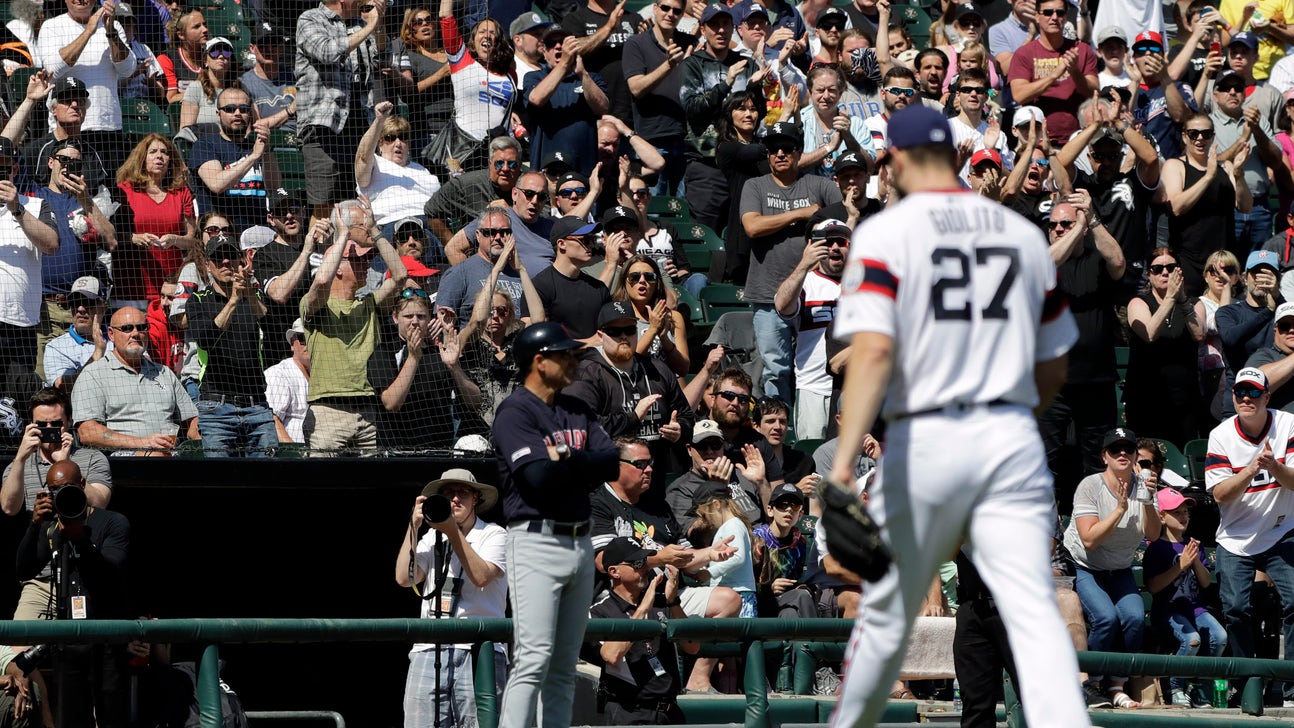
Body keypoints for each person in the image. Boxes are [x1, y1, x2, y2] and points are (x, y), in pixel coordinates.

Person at [822, 104, 1088, 727]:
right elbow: (1054, 363)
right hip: (1011, 439)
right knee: (1035, 619)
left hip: (930, 436)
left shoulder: (888, 232)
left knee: (886, 618)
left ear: (902, 159)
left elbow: (875, 350)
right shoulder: (1021, 233)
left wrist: (840, 466)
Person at [490, 321, 619, 728]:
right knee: (533, 658)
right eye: (565, 354)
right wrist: (580, 464)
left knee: (563, 666)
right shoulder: (515, 411)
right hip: (535, 541)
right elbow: (536, 479)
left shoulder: (576, 407)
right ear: (539, 361)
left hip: (580, 543)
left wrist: (567, 457)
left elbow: (612, 462)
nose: (574, 361)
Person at [589, 436, 740, 693]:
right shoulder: (597, 503)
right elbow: (604, 562)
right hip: (621, 601)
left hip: (667, 596)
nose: (648, 469)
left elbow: (685, 557)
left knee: (730, 600)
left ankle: (698, 680)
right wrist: (660, 559)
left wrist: (709, 555)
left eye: (651, 463)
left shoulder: (657, 505)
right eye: (640, 464)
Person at [14, 460, 129, 728]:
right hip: (68, 640)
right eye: (54, 490)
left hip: (107, 637)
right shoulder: (53, 527)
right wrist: (34, 525)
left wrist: (79, 538)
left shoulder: (112, 522)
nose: (62, 496)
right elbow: (24, 569)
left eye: (67, 489)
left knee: (112, 715)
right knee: (71, 717)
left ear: (82, 485)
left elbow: (111, 572)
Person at [1205, 366, 1294, 705]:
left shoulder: (1287, 424)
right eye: (1240, 392)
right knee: (1236, 609)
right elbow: (1220, 495)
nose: (1246, 398)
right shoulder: (1221, 435)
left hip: (1281, 530)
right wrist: (1253, 468)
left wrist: (1275, 467)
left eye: (1254, 392)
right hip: (1236, 536)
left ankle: (1290, 685)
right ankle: (1247, 682)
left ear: (1267, 396)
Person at [395, 468, 508, 728]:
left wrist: (452, 532)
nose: (455, 499)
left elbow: (482, 577)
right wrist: (413, 526)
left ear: (476, 499)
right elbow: (404, 577)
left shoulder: (494, 534)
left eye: (462, 493)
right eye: (448, 494)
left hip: (478, 651)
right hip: (428, 648)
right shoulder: (431, 538)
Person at [740, 121, 841, 404]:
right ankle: (780, 432)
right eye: (773, 149)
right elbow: (752, 227)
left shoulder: (820, 184)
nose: (780, 154)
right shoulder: (755, 186)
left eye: (787, 148)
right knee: (776, 369)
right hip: (768, 292)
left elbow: (845, 220)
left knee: (823, 365)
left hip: (818, 295)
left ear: (799, 153)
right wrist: (801, 213)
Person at [1061, 427, 1163, 708]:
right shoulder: (1090, 486)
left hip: (1118, 568)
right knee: (1105, 617)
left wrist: (1148, 502)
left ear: (1134, 457)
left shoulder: (1143, 487)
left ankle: (1116, 685)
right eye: (1115, 449)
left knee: (1133, 618)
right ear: (1104, 456)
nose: (1122, 454)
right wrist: (1119, 509)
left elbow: (1153, 535)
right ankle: (1090, 685)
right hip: (1085, 564)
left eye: (1128, 450)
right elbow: (1090, 540)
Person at [299, 200, 407, 455]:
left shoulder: (369, 304)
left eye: (367, 259)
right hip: (328, 412)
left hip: (368, 411)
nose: (366, 264)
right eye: (358, 260)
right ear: (338, 267)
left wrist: (376, 230)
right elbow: (322, 278)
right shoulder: (314, 305)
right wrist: (343, 234)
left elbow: (401, 274)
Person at [1037, 193, 1125, 481]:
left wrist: (1093, 220)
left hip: (1096, 381)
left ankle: (1095, 524)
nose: (1059, 229)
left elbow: (1119, 261)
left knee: (1099, 465)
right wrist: (1078, 226)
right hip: (1052, 385)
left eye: (1066, 224)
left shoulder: (1096, 259)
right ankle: (1049, 526)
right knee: (1043, 462)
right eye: (1054, 225)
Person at [564, 300, 696, 471]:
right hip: (607, 481)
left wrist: (680, 430)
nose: (623, 336)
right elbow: (580, 427)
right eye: (614, 331)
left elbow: (687, 416)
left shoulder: (658, 369)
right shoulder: (585, 374)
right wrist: (632, 418)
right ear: (600, 335)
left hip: (658, 475)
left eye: (629, 330)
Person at [184, 235, 278, 456]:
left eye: (231, 257)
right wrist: (233, 300)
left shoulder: (254, 299)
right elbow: (205, 340)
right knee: (220, 480)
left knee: (270, 480)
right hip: (216, 406)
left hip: (257, 405)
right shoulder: (198, 300)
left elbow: (274, 333)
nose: (225, 262)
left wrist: (249, 295)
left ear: (241, 261)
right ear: (208, 265)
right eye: (218, 257)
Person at [32, 140, 116, 381]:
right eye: (63, 160)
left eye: (75, 163)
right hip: (43, 308)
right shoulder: (35, 196)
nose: (68, 166)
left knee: (88, 379)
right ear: (50, 162)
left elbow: (111, 241)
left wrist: (86, 199)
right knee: (47, 385)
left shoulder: (89, 201)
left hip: (82, 308)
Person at [294, 0, 387, 219]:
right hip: (325, 128)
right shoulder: (310, 19)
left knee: (362, 201)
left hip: (360, 125)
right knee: (325, 207)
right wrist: (369, 27)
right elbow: (327, 52)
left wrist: (378, 25)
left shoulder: (359, 24)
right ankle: (319, 253)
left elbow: (381, 57)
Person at [589, 536, 696, 724]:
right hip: (629, 712)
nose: (645, 567)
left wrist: (673, 602)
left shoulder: (661, 602)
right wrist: (642, 610)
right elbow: (612, 656)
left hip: (670, 712)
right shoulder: (599, 611)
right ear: (614, 572)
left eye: (645, 561)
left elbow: (693, 647)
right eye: (637, 563)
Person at [70, 306, 197, 453]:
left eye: (142, 327)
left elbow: (192, 420)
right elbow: (87, 432)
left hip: (170, 453)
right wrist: (143, 442)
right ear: (111, 334)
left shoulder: (164, 373)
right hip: (121, 458)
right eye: (127, 328)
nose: (136, 333)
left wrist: (202, 437)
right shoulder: (93, 374)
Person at [679, 3, 759, 231]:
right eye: (714, 25)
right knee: (706, 235)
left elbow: (757, 113)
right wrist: (726, 84)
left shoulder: (747, 64)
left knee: (741, 238)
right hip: (707, 165)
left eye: (726, 24)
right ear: (702, 29)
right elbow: (692, 107)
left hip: (743, 165)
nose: (721, 30)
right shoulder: (692, 65)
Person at [1144, 486, 1225, 709]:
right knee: (1192, 640)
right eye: (1176, 512)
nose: (1183, 517)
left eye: (1185, 512)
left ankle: (1200, 688)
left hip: (1194, 608)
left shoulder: (1192, 544)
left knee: (1219, 636)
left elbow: (1206, 582)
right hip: (1167, 609)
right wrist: (1180, 566)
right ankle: (1176, 686)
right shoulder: (1156, 548)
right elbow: (1153, 587)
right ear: (1161, 515)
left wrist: (1195, 561)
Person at [36, 0, 136, 172]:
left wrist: (110, 32)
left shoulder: (113, 25)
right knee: (72, 188)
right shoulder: (51, 26)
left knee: (112, 193)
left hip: (109, 127)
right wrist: (89, 30)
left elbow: (127, 69)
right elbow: (53, 68)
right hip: (68, 130)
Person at [369, 290, 472, 450]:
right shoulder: (384, 352)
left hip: (439, 451)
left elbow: (475, 401)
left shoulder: (441, 352)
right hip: (396, 452)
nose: (415, 321)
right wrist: (413, 357)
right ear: (395, 318)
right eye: (408, 316)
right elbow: (391, 403)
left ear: (430, 319)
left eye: (421, 316)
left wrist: (455, 367)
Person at [775, 218, 847, 441]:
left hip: (853, 387)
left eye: (841, 241)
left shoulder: (864, 283)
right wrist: (804, 265)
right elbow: (782, 305)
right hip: (813, 387)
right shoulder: (806, 282)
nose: (834, 247)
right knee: (813, 457)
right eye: (827, 242)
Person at [0, 134, 58, 404]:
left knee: (19, 401)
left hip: (20, 324)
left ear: (13, 169)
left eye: (3, 165)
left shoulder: (34, 205)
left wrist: (16, 208)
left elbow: (51, 244)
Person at [1125, 248, 1205, 443]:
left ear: (1179, 271)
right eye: (1157, 268)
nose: (1165, 272)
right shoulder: (1138, 303)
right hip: (1146, 397)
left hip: (1184, 398)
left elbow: (1199, 333)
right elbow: (1150, 333)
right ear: (1149, 275)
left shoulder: (1194, 304)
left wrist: (1182, 299)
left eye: (1170, 267)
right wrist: (1170, 298)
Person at [112, 133, 198, 309]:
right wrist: (133, 238)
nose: (160, 156)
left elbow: (192, 240)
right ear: (142, 158)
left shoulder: (181, 193)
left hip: (171, 286)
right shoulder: (124, 190)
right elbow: (107, 235)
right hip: (133, 286)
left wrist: (174, 240)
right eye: (153, 151)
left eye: (165, 152)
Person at [1006, 0, 1097, 144]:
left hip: (1078, 140)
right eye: (1048, 13)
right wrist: (1054, 75)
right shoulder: (1024, 53)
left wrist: (1075, 72)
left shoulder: (1082, 50)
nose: (1054, 17)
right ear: (1037, 16)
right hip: (1038, 142)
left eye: (1060, 13)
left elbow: (1094, 92)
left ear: (1066, 17)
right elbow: (1019, 95)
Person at [189, 87, 278, 233]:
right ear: (218, 114)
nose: (238, 114)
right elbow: (217, 184)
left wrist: (266, 151)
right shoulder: (204, 145)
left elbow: (274, 187)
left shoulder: (257, 145)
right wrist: (254, 156)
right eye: (230, 109)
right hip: (221, 234)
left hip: (258, 233)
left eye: (243, 109)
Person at [354, 101, 442, 249]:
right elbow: (362, 156)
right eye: (390, 137)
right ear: (380, 143)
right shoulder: (375, 163)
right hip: (391, 225)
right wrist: (379, 120)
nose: (398, 143)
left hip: (428, 225)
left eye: (403, 137)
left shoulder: (422, 170)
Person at [522, 25, 608, 177]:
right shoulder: (534, 77)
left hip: (583, 169)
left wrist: (582, 74)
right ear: (544, 51)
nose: (558, 47)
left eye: (563, 41)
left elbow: (602, 107)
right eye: (551, 44)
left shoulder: (591, 77)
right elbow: (536, 99)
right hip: (546, 170)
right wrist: (564, 63)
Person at [666, 419, 770, 532]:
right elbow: (700, 536)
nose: (709, 451)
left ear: (723, 447)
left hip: (762, 541)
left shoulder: (743, 475)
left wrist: (762, 483)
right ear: (689, 449)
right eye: (702, 445)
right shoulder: (680, 489)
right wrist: (717, 490)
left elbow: (773, 520)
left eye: (715, 445)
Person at [437, 206, 535, 323]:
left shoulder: (520, 272)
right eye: (490, 232)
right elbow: (442, 322)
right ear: (478, 235)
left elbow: (536, 317)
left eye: (504, 232)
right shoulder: (459, 273)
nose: (498, 237)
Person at [424, 136, 522, 248]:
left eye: (512, 164)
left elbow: (545, 215)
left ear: (519, 165)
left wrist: (511, 212)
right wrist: (455, 249)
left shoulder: (529, 186)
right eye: (499, 163)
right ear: (490, 163)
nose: (505, 169)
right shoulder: (468, 183)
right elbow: (431, 210)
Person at [532, 216, 615, 342]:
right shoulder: (540, 286)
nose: (592, 245)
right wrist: (588, 343)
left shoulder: (598, 288)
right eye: (586, 240)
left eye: (593, 239)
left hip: (596, 359)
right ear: (562, 244)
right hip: (560, 359)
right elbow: (540, 337)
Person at [608, 250, 690, 375]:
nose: (642, 281)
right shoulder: (616, 316)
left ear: (657, 283)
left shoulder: (673, 317)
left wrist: (664, 339)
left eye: (649, 277)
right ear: (625, 282)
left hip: (665, 387)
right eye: (634, 277)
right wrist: (652, 329)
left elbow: (683, 369)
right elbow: (625, 363)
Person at [752, 481, 815, 618]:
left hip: (789, 603)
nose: (789, 510)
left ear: (800, 515)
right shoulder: (756, 541)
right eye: (783, 505)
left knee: (791, 611)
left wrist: (801, 587)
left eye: (795, 506)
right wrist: (770, 588)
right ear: (770, 510)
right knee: (800, 597)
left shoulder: (801, 543)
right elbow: (746, 585)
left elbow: (802, 581)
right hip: (760, 604)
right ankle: (813, 638)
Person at [42, 276, 110, 390]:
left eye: (88, 302)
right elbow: (62, 386)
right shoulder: (56, 347)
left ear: (104, 307)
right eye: (75, 302)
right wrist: (98, 352)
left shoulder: (121, 335)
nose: (80, 309)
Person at [239, 21, 296, 131]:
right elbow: (257, 125)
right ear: (252, 48)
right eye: (263, 44)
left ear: (282, 47)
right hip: (268, 143)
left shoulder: (295, 77)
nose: (270, 49)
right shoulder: (245, 83)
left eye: (274, 43)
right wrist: (290, 110)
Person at [264, 319, 310, 443]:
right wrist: (293, 454)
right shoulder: (279, 374)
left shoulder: (327, 374)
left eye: (313, 338)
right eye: (303, 338)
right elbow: (271, 420)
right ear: (291, 343)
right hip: (291, 455)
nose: (309, 343)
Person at [178, 36, 233, 130]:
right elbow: (186, 131)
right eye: (214, 52)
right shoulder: (195, 88)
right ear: (205, 61)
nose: (221, 56)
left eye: (226, 52)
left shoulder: (239, 90)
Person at [157, 8, 207, 103]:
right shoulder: (167, 58)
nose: (205, 29)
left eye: (205, 24)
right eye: (197, 27)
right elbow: (171, 98)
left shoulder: (211, 56)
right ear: (181, 35)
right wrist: (206, 92)